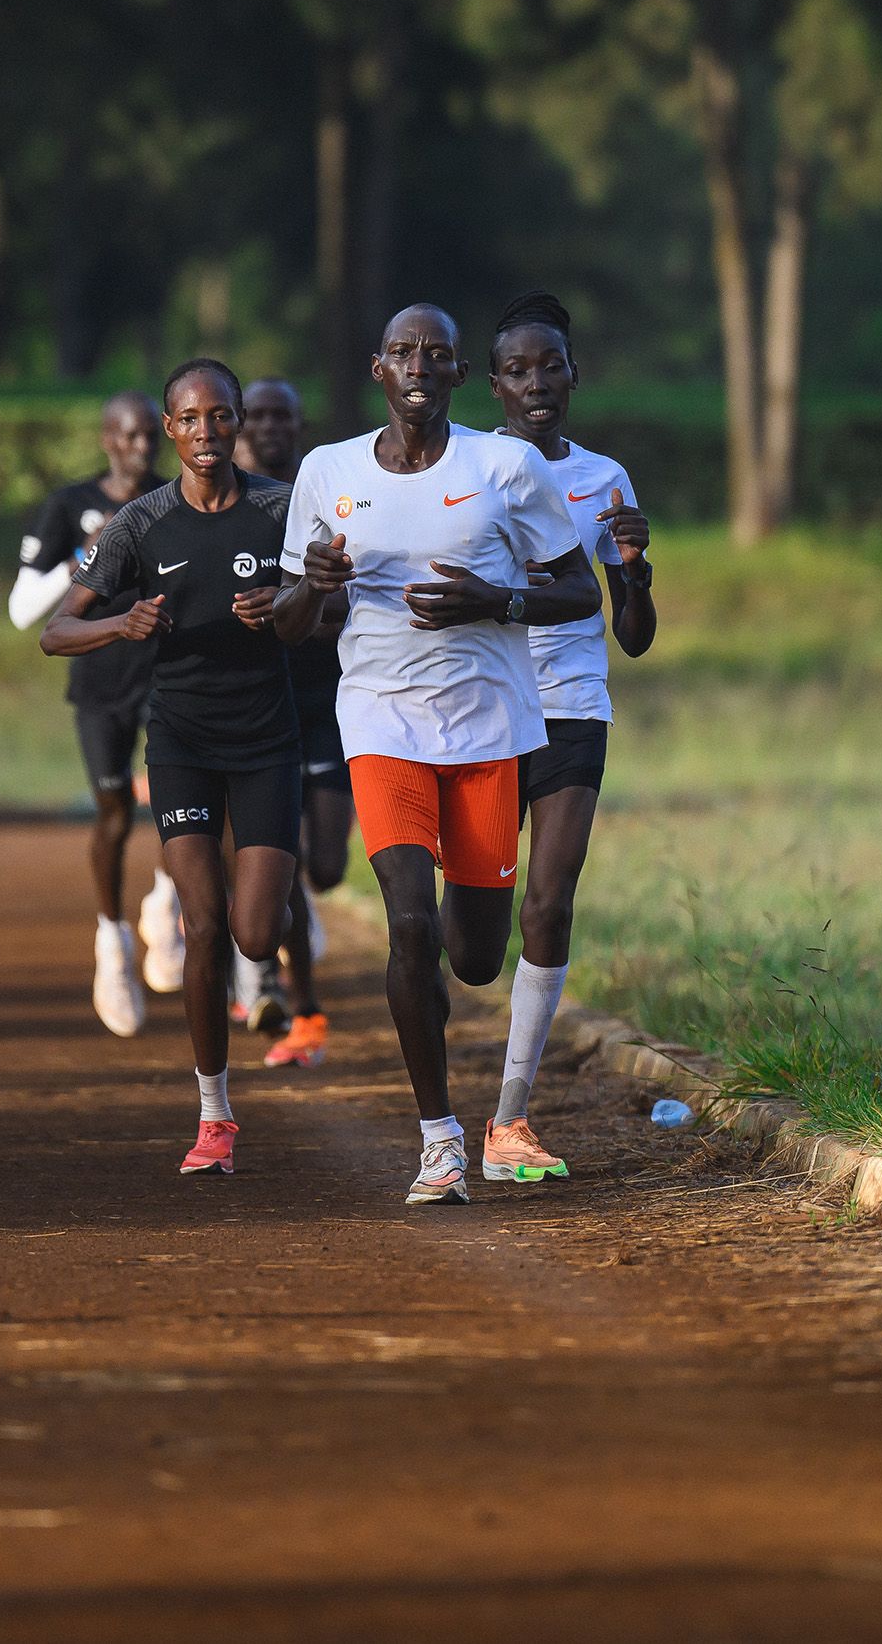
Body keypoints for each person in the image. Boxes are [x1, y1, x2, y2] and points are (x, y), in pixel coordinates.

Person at [274, 304, 600, 1204]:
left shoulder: (506, 466)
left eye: (438, 354)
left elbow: (578, 590)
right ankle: (440, 1138)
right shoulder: (326, 472)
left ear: (460, 375)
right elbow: (291, 622)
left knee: (474, 955)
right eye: (404, 351)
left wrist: (494, 602)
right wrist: (312, 584)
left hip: (492, 727)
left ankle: (457, 1080)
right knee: (408, 923)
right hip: (380, 721)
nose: (420, 364)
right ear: (378, 367)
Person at [44, 359, 300, 1176]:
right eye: (188, 420)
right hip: (183, 743)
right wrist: (122, 622)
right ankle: (214, 1113)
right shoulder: (139, 523)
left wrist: (286, 608)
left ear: (239, 424)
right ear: (169, 430)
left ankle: (273, 975)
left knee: (256, 932)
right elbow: (56, 630)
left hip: (267, 741)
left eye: (219, 417)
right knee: (205, 924)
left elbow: (331, 607)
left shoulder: (280, 508)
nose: (205, 433)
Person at [483, 290, 657, 1183]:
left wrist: (635, 570)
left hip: (572, 703)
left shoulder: (605, 476)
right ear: (495, 384)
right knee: (472, 937)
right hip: (479, 708)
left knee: (547, 903)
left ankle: (510, 1117)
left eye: (551, 365)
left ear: (574, 374)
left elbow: (633, 633)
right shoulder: (465, 471)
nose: (537, 383)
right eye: (518, 369)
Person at [9, 391, 167, 1037]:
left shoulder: (171, 499)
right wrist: (88, 554)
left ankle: (166, 901)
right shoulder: (69, 506)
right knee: (113, 815)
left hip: (164, 677)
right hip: (100, 686)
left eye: (148, 436)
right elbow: (23, 611)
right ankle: (112, 944)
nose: (140, 448)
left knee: (183, 797)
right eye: (127, 437)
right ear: (106, 438)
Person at [235, 377, 350, 1068]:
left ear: (301, 425)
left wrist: (299, 611)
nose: (273, 427)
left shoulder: (327, 500)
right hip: (258, 706)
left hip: (330, 702)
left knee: (327, 867)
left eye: (286, 414)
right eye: (260, 416)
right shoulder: (230, 506)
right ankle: (298, 1006)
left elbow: (351, 597)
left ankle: (280, 941)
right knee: (289, 863)